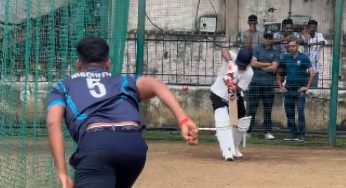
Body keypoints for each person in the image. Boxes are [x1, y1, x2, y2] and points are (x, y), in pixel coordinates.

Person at [46, 37, 199, 188]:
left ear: (78, 65)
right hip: (133, 146)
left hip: (97, 145)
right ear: (107, 64)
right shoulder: (124, 82)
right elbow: (155, 84)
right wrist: (182, 119)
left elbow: (53, 122)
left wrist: (62, 173)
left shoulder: (63, 87)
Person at [210, 48, 254, 161]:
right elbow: (224, 50)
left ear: (249, 63)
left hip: (233, 94)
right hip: (218, 94)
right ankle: (227, 151)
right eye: (239, 64)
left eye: (243, 66)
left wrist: (229, 84)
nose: (240, 67)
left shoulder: (249, 73)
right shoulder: (233, 58)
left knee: (242, 122)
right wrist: (230, 62)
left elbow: (237, 89)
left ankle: (234, 146)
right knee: (222, 119)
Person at [276, 38, 314, 142]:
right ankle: (292, 134)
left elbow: (312, 72)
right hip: (288, 90)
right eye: (289, 46)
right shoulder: (285, 58)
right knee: (289, 113)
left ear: (297, 46)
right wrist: (280, 86)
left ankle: (301, 135)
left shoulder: (304, 58)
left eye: (293, 46)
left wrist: (307, 86)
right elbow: (278, 72)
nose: (291, 48)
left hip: (299, 91)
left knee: (300, 112)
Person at [247, 31, 280, 140]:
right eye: (266, 37)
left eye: (270, 37)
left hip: (268, 85)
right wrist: (267, 64)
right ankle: (248, 131)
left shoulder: (275, 52)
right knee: (251, 109)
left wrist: (259, 65)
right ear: (263, 38)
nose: (268, 39)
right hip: (255, 83)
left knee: (267, 109)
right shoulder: (256, 49)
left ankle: (267, 132)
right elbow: (252, 63)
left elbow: (274, 68)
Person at [301, 20, 325, 88]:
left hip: (315, 68)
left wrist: (313, 43)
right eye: (311, 27)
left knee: (314, 88)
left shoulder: (319, 35)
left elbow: (323, 42)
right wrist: (305, 35)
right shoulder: (305, 35)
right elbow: (302, 42)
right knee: (303, 87)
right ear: (308, 27)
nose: (313, 29)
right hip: (305, 68)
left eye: (314, 27)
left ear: (316, 28)